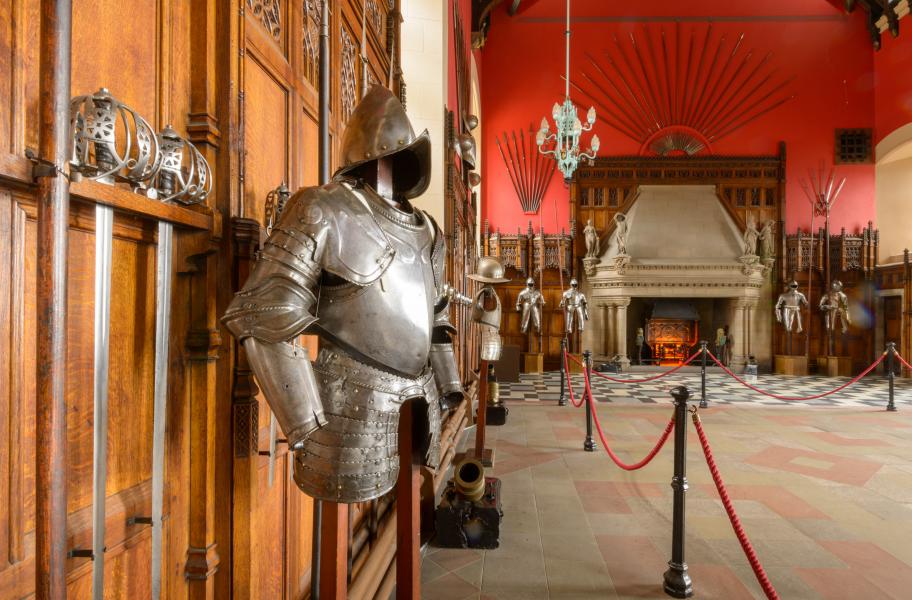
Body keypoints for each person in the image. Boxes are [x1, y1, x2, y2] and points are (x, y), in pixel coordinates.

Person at [222, 86, 461, 503]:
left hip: (422, 395)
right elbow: (263, 311)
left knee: (416, 490)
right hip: (349, 404)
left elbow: (436, 317)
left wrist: (449, 384)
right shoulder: (322, 208)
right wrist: (304, 420)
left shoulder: (428, 229)